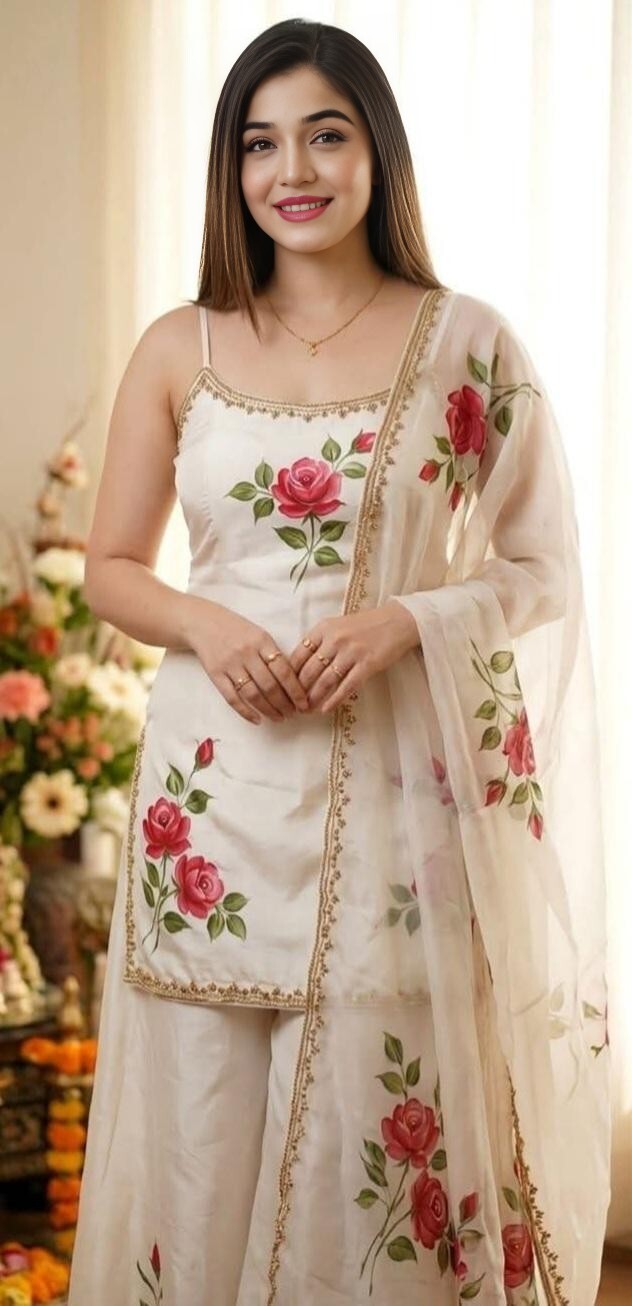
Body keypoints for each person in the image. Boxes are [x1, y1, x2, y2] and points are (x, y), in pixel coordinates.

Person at [67, 17, 611, 1306]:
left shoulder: (466, 343)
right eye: (260, 144)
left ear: (380, 151)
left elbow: (543, 568)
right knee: (202, 1138)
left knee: (376, 1134)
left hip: (399, 811)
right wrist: (209, 624)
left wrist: (407, 618)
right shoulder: (183, 344)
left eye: (325, 134)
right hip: (212, 799)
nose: (293, 171)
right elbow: (112, 567)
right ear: (232, 168)